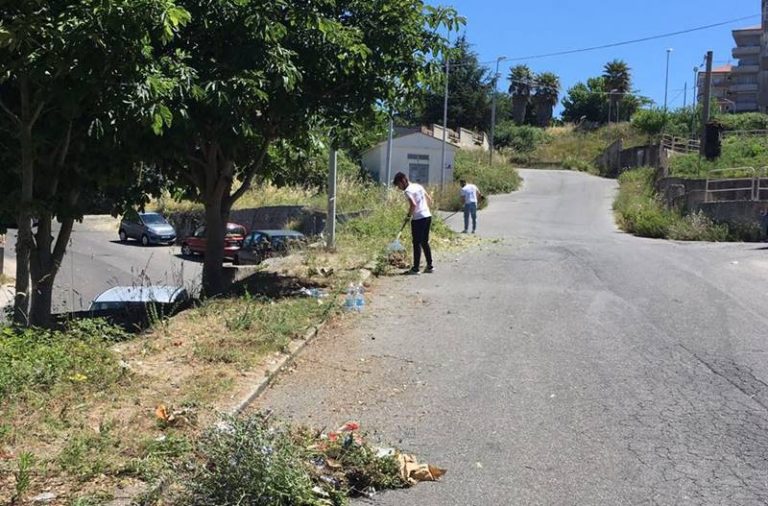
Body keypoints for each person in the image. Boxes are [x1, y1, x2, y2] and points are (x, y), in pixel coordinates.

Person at [393, 172, 433, 274]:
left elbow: (413, 205)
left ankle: (415, 269)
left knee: (416, 243)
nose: (399, 188)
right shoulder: (418, 186)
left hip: (418, 219)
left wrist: (408, 216)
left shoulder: (407, 191)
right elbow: (429, 199)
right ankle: (430, 266)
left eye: (398, 185)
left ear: (403, 181)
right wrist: (425, 210)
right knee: (424, 242)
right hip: (427, 216)